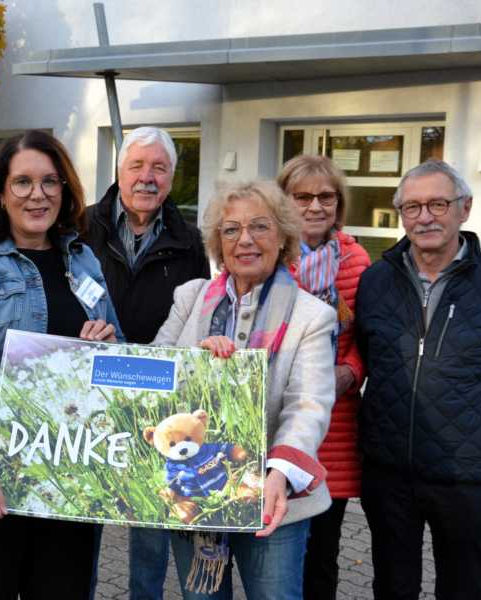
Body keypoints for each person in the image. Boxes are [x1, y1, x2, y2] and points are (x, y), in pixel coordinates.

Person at [0, 130, 124, 599]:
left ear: (65, 189)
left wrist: (107, 344)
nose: (38, 194)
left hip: (71, 468)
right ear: (0, 192)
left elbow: (120, 352)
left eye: (50, 182)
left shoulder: (83, 261)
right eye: (22, 182)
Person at [355, 159, 481, 600]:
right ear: (401, 214)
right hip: (389, 469)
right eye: (412, 207)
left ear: (465, 208)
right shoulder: (375, 281)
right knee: (392, 586)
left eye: (438, 204)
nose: (425, 217)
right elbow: (370, 356)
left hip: (467, 473)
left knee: (461, 587)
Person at [154, 180, 336, 600]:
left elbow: (308, 406)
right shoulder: (190, 298)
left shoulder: (313, 316)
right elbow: (156, 371)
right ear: (218, 242)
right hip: (196, 496)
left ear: (284, 236)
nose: (245, 240)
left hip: (273, 503)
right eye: (231, 229)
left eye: (260, 226)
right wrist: (195, 365)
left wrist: (279, 473)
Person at [84, 126, 210, 600]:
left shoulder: (191, 241)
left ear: (172, 178)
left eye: (159, 168)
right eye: (137, 166)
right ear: (119, 172)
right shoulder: (80, 227)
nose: (147, 178)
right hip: (91, 392)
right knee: (83, 513)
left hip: (158, 398)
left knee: (152, 521)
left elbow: (198, 311)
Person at [277, 155, 370, 600]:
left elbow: (368, 337)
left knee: (323, 550)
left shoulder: (355, 259)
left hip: (336, 421)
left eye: (326, 197)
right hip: (280, 416)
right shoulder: (270, 253)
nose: (315, 206)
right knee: (278, 545)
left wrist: (349, 372)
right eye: (303, 197)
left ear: (338, 203)